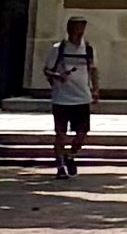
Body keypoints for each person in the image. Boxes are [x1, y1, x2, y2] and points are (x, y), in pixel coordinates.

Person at [42, 10, 97, 181]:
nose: (78, 32)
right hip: (62, 98)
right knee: (61, 134)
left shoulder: (87, 49)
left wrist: (95, 89)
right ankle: (60, 166)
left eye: (81, 28)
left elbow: (93, 69)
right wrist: (58, 76)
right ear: (69, 29)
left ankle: (70, 154)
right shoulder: (58, 49)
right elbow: (47, 70)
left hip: (82, 97)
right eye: (75, 28)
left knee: (82, 134)